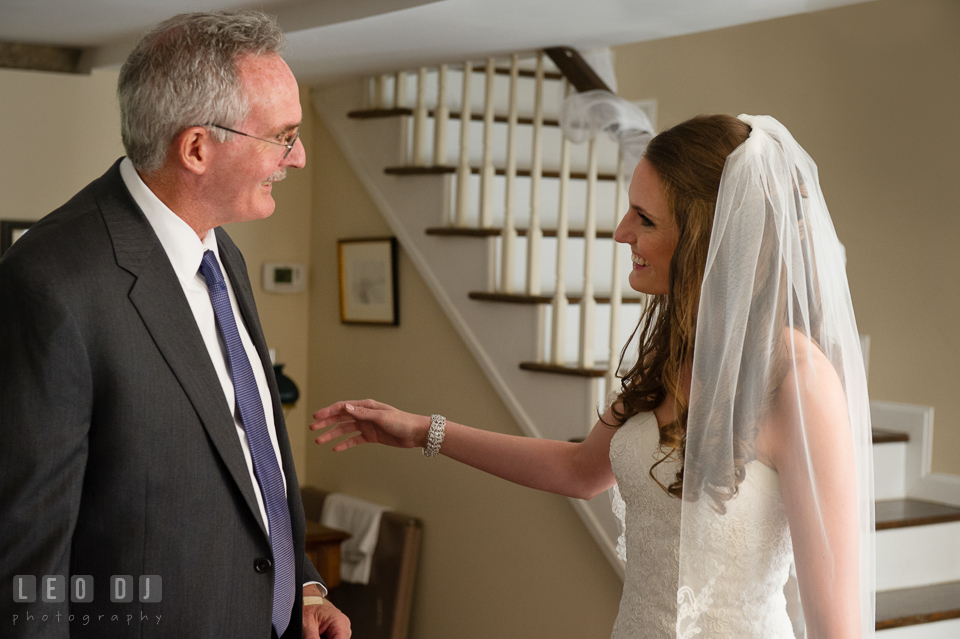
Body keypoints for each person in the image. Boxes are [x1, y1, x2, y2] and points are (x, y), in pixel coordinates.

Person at [311, 114, 875, 638]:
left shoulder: (799, 384)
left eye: (645, 218)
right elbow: (580, 469)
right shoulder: (672, 349)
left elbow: (837, 624)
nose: (621, 232)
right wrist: (421, 431)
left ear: (709, 239)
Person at [0, 11, 350, 639]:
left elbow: (246, 447)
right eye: (284, 135)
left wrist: (300, 586)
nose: (298, 158)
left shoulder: (220, 249)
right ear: (196, 148)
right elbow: (23, 555)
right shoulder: (51, 284)